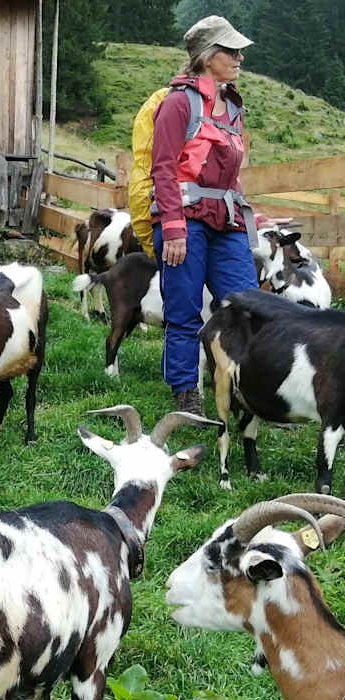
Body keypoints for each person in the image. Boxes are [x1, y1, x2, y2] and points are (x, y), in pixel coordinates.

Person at [151, 15, 259, 415]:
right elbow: (163, 168)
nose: (239, 57)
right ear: (208, 56)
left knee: (247, 305)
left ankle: (243, 387)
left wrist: (251, 217)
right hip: (185, 220)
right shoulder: (178, 103)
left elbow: (229, 173)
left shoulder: (232, 107)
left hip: (226, 221)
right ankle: (186, 394)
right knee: (183, 311)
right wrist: (174, 228)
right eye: (231, 50)